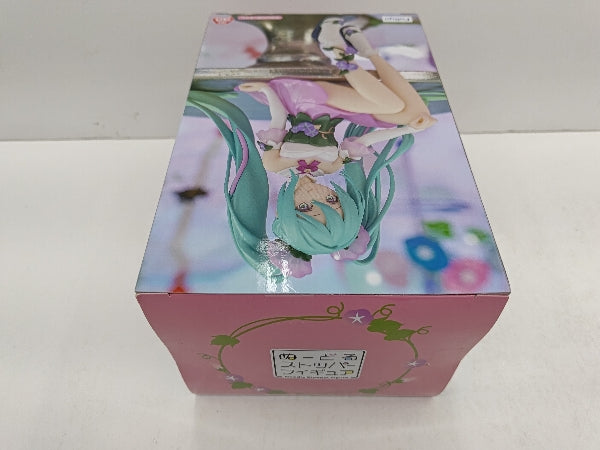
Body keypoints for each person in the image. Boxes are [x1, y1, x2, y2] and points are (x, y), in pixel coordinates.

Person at [187, 18, 435, 281]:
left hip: (303, 100)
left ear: (284, 212)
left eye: (304, 207)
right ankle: (361, 48)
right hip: (335, 111)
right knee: (411, 113)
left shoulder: (275, 164)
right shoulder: (333, 166)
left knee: (392, 105)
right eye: (332, 201)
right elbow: (366, 142)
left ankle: (339, 50)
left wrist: (266, 91)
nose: (317, 195)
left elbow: (278, 119)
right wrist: (409, 130)